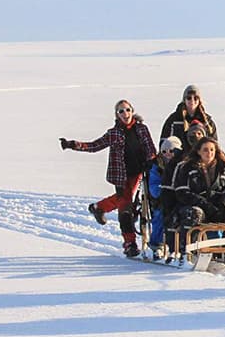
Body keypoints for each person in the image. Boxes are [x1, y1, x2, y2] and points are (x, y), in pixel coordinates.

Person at [59, 99, 157, 257]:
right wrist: (72, 144)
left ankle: (99, 208)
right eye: (121, 111)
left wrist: (152, 161)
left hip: (140, 172)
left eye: (127, 110)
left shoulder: (142, 129)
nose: (125, 114)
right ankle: (129, 243)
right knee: (125, 207)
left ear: (132, 111)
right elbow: (94, 146)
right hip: (121, 175)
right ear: (117, 115)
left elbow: (150, 148)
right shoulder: (114, 133)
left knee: (133, 201)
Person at [174, 137, 225, 263]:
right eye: (205, 150)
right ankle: (189, 253)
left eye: (212, 150)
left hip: (219, 207)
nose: (209, 153)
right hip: (197, 207)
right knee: (194, 214)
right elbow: (182, 192)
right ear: (198, 152)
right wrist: (204, 204)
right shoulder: (187, 168)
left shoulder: (223, 168)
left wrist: (222, 205)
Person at [145, 136, 182, 260]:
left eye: (171, 151)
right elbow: (154, 187)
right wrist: (165, 192)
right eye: (164, 151)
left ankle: (183, 245)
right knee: (161, 215)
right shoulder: (157, 167)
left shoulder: (183, 164)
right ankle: (157, 245)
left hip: (181, 198)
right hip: (162, 200)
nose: (168, 154)